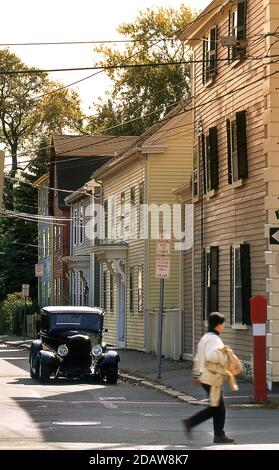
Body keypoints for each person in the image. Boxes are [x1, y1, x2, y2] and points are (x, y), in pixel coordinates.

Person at [182, 312, 235, 444]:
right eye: (222, 324)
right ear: (218, 325)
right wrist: (224, 355)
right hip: (212, 376)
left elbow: (198, 358)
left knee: (216, 406)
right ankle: (215, 433)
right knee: (218, 407)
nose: (223, 327)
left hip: (204, 376)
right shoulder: (214, 339)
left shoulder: (205, 338)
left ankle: (216, 433)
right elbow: (212, 356)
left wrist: (196, 375)